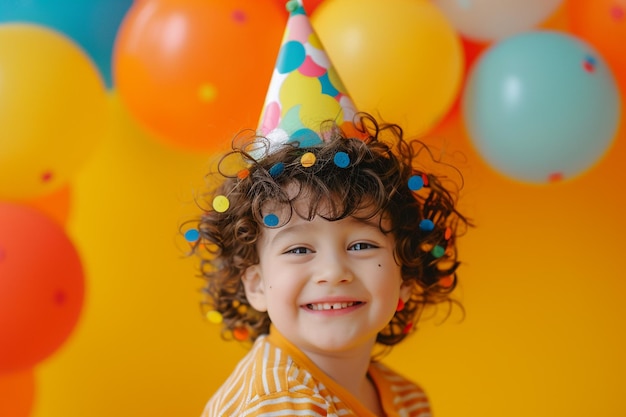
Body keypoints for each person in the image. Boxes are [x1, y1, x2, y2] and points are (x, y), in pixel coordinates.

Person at [188, 113, 470, 416]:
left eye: (361, 246)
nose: (333, 272)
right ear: (257, 284)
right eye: (298, 249)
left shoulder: (406, 398)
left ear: (406, 278)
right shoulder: (276, 406)